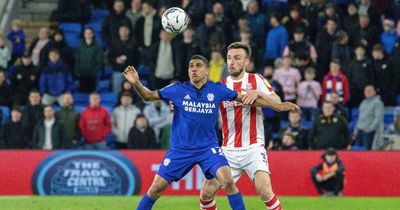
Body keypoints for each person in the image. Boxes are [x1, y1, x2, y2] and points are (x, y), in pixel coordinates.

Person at [123, 54, 298, 210]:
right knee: (155, 189)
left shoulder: (217, 89)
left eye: (198, 66)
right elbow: (148, 96)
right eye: (191, 66)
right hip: (181, 150)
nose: (194, 69)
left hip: (208, 149)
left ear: (207, 70)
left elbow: (248, 100)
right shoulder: (177, 89)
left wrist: (277, 105)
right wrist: (136, 83)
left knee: (228, 181)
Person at [200, 42, 292, 210]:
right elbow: (200, 105)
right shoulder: (220, 86)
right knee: (206, 193)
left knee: (265, 191)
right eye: (229, 58)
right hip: (228, 150)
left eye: (237, 58)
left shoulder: (256, 79)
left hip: (253, 147)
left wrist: (258, 92)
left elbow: (277, 102)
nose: (232, 62)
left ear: (246, 61)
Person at [108, 25, 141, 94]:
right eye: (122, 30)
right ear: (119, 32)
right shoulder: (114, 43)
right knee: (117, 92)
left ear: (128, 31)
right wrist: (116, 60)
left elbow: (138, 59)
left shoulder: (134, 44)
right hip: (118, 72)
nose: (123, 32)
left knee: (132, 93)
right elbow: (109, 57)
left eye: (125, 30)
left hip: (130, 73)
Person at [354, 85, 384, 150]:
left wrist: (370, 129)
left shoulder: (378, 103)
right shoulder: (363, 102)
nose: (368, 92)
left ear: (374, 92)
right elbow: (360, 117)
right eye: (366, 91)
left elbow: (378, 118)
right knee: (356, 151)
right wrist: (356, 129)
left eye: (370, 91)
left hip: (368, 131)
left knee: (367, 151)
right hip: (360, 129)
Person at [75, 27, 104, 93]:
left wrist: (94, 71)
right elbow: (77, 59)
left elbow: (99, 61)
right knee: (82, 91)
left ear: (93, 34)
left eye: (89, 33)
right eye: (86, 33)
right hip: (82, 74)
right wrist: (78, 70)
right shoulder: (80, 45)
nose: (88, 34)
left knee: (91, 92)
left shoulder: (97, 46)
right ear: (84, 34)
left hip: (92, 75)